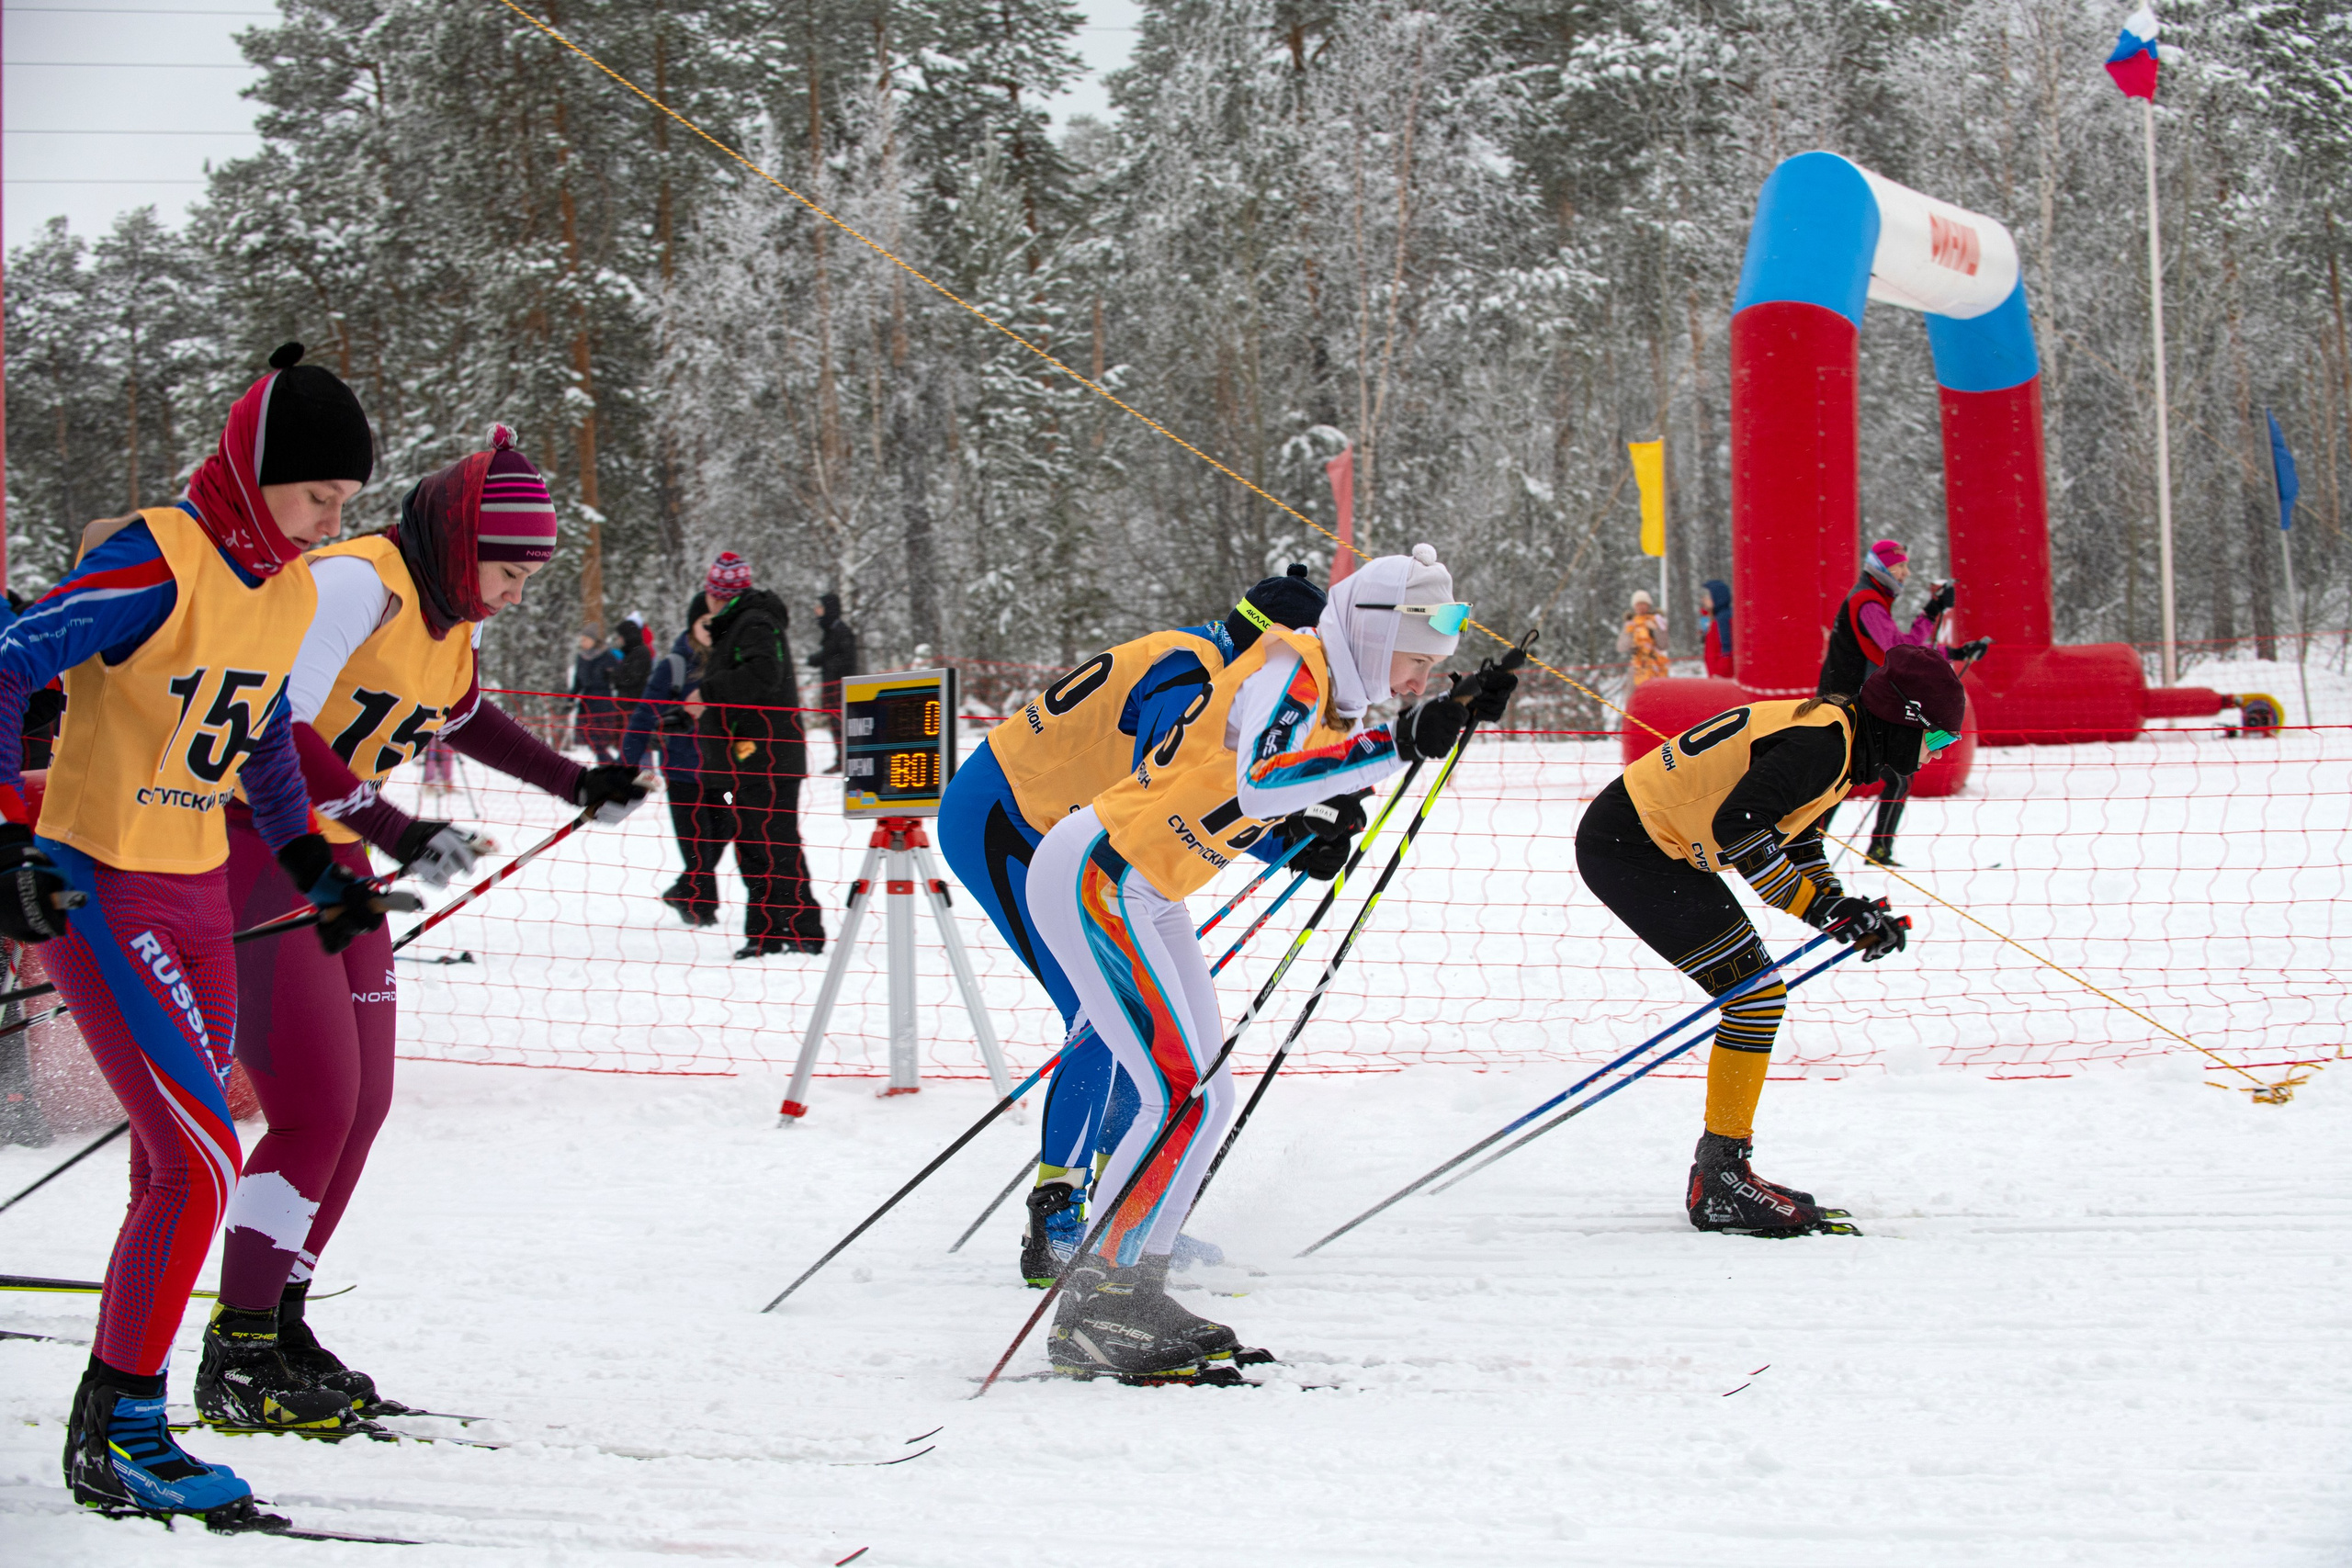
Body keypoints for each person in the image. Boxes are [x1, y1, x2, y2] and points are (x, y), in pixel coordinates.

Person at [0, 343, 396, 1529]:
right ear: (258, 467)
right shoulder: (160, 557)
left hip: (200, 902)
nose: (330, 524)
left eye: (343, 508)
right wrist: (11, 838)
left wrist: (312, 867)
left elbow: (265, 744)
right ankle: (118, 1422)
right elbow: (11, 661)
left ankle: (132, 1417)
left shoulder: (281, 593)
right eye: (319, 496)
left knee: (169, 1165)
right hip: (100, 885)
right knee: (204, 1155)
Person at [201, 426, 648, 1436]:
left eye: (528, 576)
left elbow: (460, 716)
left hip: (336, 858)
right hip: (259, 850)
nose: (515, 592)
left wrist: (577, 780)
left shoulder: (445, 618)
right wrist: (393, 825)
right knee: (314, 1109)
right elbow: (272, 721)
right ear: (458, 546)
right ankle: (237, 1348)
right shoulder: (358, 582)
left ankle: (282, 1320)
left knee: (362, 1108)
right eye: (507, 570)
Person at [1029, 545, 1512, 1381]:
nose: (1419, 680)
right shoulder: (1299, 659)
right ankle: (1093, 1306)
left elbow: (1271, 780)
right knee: (1177, 1091)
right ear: (1373, 628)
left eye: (1436, 670)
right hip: (1099, 875)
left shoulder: (1330, 689)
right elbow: (1260, 781)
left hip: (1148, 887)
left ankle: (1137, 1283)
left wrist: (1448, 717)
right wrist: (1402, 741)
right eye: (1417, 661)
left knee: (1206, 1097)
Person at [937, 565, 1329, 1288]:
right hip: (1004, 815)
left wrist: (1299, 821)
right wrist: (1284, 835)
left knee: (1136, 1022)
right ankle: (1056, 1222)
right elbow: (1168, 785)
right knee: (1102, 1014)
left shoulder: (1208, 660)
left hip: (1050, 826)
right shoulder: (1191, 671)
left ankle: (1128, 1211)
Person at [1576, 644, 1964, 1236]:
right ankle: (1721, 1179)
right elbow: (1742, 830)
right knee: (1755, 997)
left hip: (1656, 846)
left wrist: (1841, 908)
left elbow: (1798, 837)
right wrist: (1828, 909)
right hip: (1632, 847)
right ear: (1902, 722)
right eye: (1936, 740)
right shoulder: (1826, 743)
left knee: (1757, 996)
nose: (1931, 758)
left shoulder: (1842, 738)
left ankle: (1724, 1170)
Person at [1816, 539, 1987, 866]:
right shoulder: (1867, 601)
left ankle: (1842, 849)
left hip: (1851, 702)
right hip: (1845, 705)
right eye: (1899, 567)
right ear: (1880, 567)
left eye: (1906, 566)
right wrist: (1932, 613)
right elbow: (1899, 651)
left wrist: (1955, 650)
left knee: (1859, 777)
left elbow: (1902, 651)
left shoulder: (1873, 597)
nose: (1906, 573)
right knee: (1852, 777)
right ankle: (1824, 849)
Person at [698, 554, 825, 959]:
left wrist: (707, 694)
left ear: (716, 594)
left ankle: (798, 930)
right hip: (752, 757)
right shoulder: (742, 624)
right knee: (755, 843)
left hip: (767, 757)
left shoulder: (753, 623)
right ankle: (769, 932)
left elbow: (762, 676)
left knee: (772, 843)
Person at [626, 595, 722, 926]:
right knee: (698, 844)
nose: (713, 629)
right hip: (683, 771)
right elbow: (643, 715)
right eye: (705, 622)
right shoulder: (675, 665)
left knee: (724, 830)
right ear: (692, 625)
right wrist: (628, 763)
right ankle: (702, 909)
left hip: (723, 773)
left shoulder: (734, 664)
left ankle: (685, 890)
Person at [807, 592, 859, 774]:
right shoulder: (831, 631)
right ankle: (841, 758)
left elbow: (847, 660)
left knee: (841, 724)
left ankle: (846, 760)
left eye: (820, 607)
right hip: (832, 686)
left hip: (839, 688)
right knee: (835, 723)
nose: (816, 611)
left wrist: (824, 660)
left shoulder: (841, 631)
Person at [569, 630, 618, 763]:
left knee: (599, 740)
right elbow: (578, 680)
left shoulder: (606, 655)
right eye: (581, 640)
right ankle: (608, 766)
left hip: (603, 701)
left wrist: (612, 674)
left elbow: (618, 675)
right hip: (587, 702)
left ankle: (610, 767)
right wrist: (570, 699)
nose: (582, 643)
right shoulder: (582, 657)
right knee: (590, 739)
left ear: (593, 640)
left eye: (585, 639)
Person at [1618, 588, 1669, 685]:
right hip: (1637, 666)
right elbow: (1621, 647)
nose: (1641, 607)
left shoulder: (1657, 620)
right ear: (1634, 606)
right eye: (1638, 604)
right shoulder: (1630, 623)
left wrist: (1656, 629)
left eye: (1643, 604)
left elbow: (1664, 645)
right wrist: (1631, 641)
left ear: (1648, 605)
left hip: (1655, 664)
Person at [611, 615, 654, 705]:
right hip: (625, 703)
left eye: (621, 636)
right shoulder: (628, 651)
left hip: (635, 703)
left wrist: (613, 676)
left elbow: (632, 678)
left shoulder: (641, 652)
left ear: (628, 636)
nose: (620, 639)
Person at [1700, 579, 1735, 679]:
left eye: (1706, 596)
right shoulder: (1714, 618)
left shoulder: (1724, 618)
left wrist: (1720, 672)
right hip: (1716, 676)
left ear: (1716, 597)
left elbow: (1727, 648)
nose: (1703, 600)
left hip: (1722, 676)